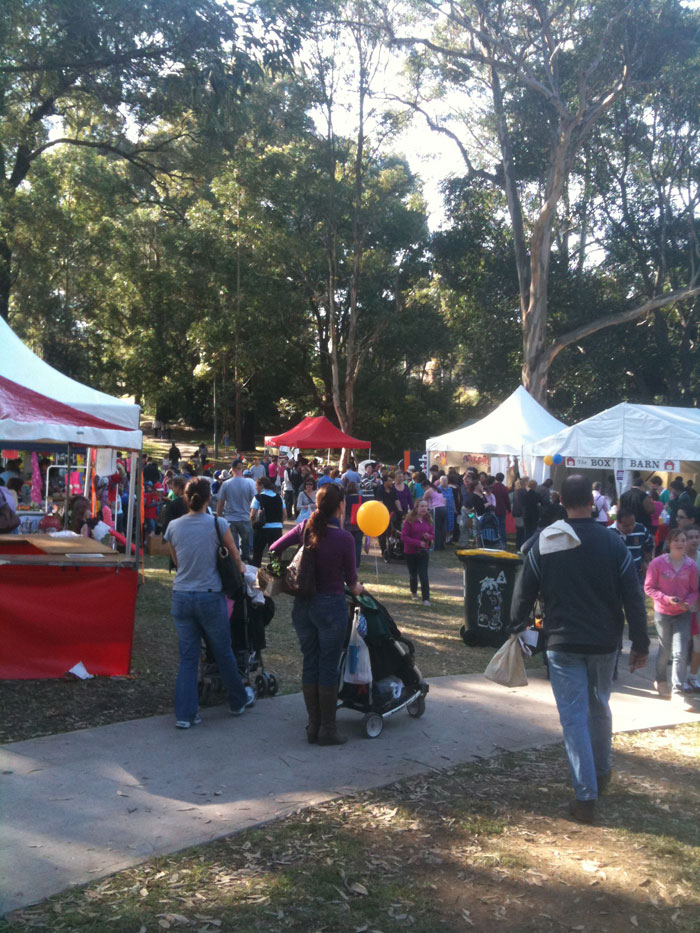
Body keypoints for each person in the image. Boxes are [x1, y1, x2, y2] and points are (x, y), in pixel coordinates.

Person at [511, 474, 650, 824]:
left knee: (574, 717)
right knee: (599, 706)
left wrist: (516, 625)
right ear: (592, 501)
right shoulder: (613, 543)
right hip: (605, 642)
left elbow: (524, 590)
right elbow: (633, 595)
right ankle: (600, 775)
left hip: (562, 640)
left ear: (561, 501)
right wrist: (641, 642)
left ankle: (585, 795)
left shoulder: (547, 541)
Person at [269, 483, 364, 745]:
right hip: (331, 607)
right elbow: (353, 583)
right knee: (328, 665)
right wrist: (361, 589)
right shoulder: (344, 539)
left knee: (310, 660)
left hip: (303, 606)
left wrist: (284, 575)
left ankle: (313, 725)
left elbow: (274, 547)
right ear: (340, 506)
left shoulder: (304, 529)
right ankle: (328, 729)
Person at [164, 478, 255, 728]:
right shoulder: (218, 524)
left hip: (182, 596)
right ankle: (237, 700)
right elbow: (235, 556)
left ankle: (185, 714)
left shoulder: (173, 526)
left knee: (188, 658)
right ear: (208, 499)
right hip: (209, 595)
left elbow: (178, 562)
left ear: (185, 498)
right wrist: (241, 568)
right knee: (223, 651)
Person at [644, 528, 698, 712]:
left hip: (683, 614)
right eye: (677, 540)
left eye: (683, 540)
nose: (681, 543)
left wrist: (688, 603)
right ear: (669, 543)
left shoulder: (691, 566)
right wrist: (666, 599)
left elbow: (694, 590)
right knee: (665, 649)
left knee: (680, 652)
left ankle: (678, 691)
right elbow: (649, 587)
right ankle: (660, 679)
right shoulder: (658, 563)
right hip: (663, 613)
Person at [216, 460, 256, 562]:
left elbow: (220, 503)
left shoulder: (226, 484)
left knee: (232, 544)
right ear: (242, 469)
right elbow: (254, 501)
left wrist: (219, 516)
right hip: (244, 517)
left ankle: (234, 562)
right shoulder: (249, 483)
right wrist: (253, 514)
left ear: (232, 469)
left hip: (230, 518)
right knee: (245, 543)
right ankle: (245, 561)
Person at [401, 499, 434, 606]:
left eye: (426, 506)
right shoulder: (409, 520)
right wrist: (418, 543)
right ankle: (414, 592)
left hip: (424, 552)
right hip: (410, 552)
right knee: (413, 574)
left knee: (424, 575)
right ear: (416, 508)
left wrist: (429, 537)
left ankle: (426, 598)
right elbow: (404, 537)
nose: (424, 509)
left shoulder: (428, 520)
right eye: (422, 506)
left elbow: (432, 534)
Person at [610, 507, 654, 582]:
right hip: (617, 575)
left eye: (632, 524)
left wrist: (646, 561)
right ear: (617, 522)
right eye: (626, 526)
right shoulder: (609, 533)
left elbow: (649, 544)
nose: (630, 528)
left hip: (637, 573)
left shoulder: (641, 529)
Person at [250, 476, 286, 567]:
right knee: (275, 557)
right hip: (277, 529)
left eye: (257, 486)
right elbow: (284, 514)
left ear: (262, 486)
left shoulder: (258, 497)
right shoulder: (279, 497)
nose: (256, 488)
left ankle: (255, 576)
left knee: (257, 555)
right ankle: (275, 577)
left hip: (262, 529)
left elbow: (252, 515)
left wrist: (253, 525)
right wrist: (279, 523)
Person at [684, 526, 700, 692]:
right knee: (683, 644)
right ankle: (681, 679)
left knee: (698, 645)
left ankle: (694, 677)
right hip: (682, 609)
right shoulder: (679, 559)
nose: (695, 540)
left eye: (697, 537)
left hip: (698, 608)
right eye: (691, 537)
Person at [374, 473, 398, 561]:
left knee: (393, 533)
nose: (391, 482)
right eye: (389, 480)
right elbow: (380, 502)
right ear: (384, 482)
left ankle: (391, 550)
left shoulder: (393, 490)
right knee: (383, 534)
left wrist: (400, 510)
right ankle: (384, 550)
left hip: (392, 513)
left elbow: (396, 500)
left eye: (392, 480)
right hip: (382, 514)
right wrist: (385, 512)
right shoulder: (380, 489)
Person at [344, 481, 363, 567]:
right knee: (358, 545)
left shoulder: (345, 499)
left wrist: (341, 525)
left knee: (348, 545)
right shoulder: (360, 498)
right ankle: (356, 564)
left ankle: (348, 563)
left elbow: (343, 513)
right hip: (359, 524)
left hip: (348, 524)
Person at [424, 480, 447, 551]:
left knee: (436, 528)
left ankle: (436, 546)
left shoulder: (428, 491)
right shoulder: (437, 489)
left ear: (426, 486)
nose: (424, 489)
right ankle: (442, 545)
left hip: (436, 509)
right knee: (442, 528)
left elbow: (423, 500)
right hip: (443, 508)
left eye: (423, 488)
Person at [491, 472, 510, 548]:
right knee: (502, 526)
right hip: (502, 509)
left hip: (495, 509)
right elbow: (507, 499)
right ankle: (503, 542)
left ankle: (497, 541)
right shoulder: (504, 488)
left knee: (496, 526)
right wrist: (509, 508)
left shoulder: (493, 487)